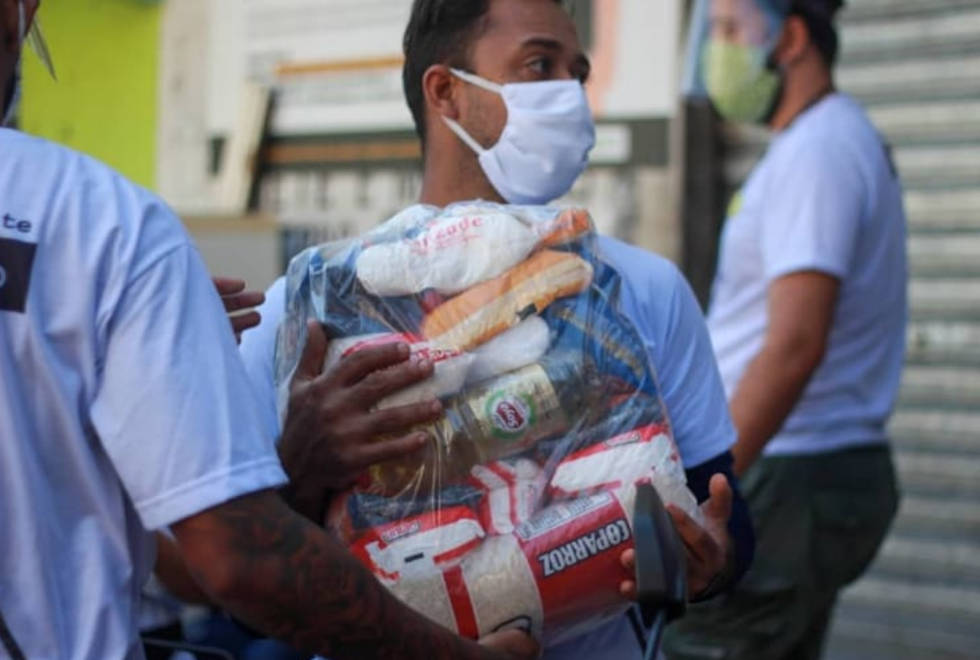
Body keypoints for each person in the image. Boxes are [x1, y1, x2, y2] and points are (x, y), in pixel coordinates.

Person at [0, 1, 535, 658]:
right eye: (539, 67)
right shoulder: (99, 226)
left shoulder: (103, 240)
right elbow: (235, 559)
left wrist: (128, 376)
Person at [240, 1, 755, 657]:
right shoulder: (317, 304)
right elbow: (238, 571)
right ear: (445, 91)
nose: (569, 92)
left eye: (578, 71)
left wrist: (710, 561)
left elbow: (726, 515)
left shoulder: (641, 289)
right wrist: (301, 468)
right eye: (540, 65)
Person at [662, 1, 905, 658]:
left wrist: (701, 483)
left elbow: (795, 346)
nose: (719, 51)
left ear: (792, 37)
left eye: (731, 31)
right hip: (796, 472)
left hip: (790, 473)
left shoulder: (819, 152)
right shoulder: (816, 143)